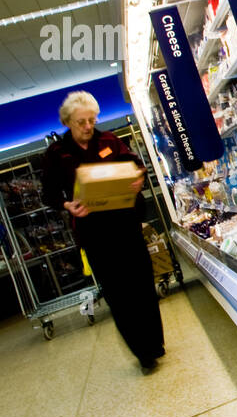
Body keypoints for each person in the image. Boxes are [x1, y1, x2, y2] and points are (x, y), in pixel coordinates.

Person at [41, 91, 165, 372]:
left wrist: (137, 178)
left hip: (126, 226)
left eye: (92, 120)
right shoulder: (57, 154)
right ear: (67, 122)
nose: (88, 127)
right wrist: (67, 205)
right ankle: (143, 353)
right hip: (93, 233)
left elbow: (136, 166)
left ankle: (154, 342)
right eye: (81, 122)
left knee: (142, 286)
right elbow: (47, 195)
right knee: (118, 293)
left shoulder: (109, 141)